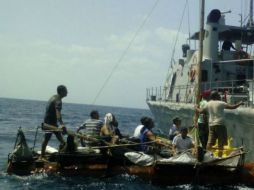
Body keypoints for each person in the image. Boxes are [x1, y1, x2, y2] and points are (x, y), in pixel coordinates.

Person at [195, 90, 243, 157]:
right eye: (218, 95)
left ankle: (207, 155)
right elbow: (233, 107)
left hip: (211, 125)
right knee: (221, 142)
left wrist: (196, 107)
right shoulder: (221, 103)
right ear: (216, 96)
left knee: (210, 142)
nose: (220, 96)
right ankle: (219, 156)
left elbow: (200, 111)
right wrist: (240, 103)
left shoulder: (208, 104)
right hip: (220, 124)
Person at [41, 85, 68, 158]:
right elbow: (58, 113)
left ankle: (42, 155)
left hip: (47, 120)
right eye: (66, 90)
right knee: (53, 138)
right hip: (51, 123)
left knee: (49, 138)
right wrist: (62, 125)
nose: (67, 92)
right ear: (62, 91)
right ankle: (64, 152)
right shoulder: (58, 100)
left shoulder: (53, 97)